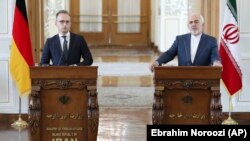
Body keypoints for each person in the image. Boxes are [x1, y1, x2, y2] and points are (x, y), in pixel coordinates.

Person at [150, 13, 221, 72]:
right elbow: (169, 54)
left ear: (202, 24)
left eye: (196, 22)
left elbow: (215, 57)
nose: (193, 24)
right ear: (188, 26)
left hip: (203, 78)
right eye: (191, 22)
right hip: (182, 77)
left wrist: (216, 63)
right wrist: (157, 62)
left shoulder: (211, 41)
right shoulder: (180, 40)